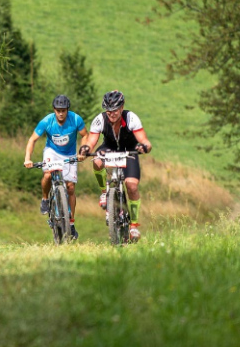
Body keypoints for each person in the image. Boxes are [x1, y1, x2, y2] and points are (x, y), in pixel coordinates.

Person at [78, 90, 152, 242]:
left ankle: (134, 226)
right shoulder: (100, 119)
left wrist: (145, 146)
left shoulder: (131, 118)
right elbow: (91, 141)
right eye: (108, 110)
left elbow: (144, 140)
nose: (111, 113)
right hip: (109, 148)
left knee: (131, 186)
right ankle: (104, 192)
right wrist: (85, 149)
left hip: (129, 151)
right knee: (97, 161)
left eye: (115, 110)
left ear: (122, 107)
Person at [23, 94, 87, 240]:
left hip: (70, 154)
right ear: (54, 110)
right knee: (47, 175)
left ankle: (70, 223)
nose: (61, 113)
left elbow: (85, 135)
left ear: (67, 110)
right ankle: (45, 199)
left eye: (63, 110)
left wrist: (83, 150)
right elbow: (32, 140)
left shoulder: (76, 119)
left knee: (70, 187)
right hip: (52, 152)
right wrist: (28, 159)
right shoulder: (46, 121)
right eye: (58, 110)